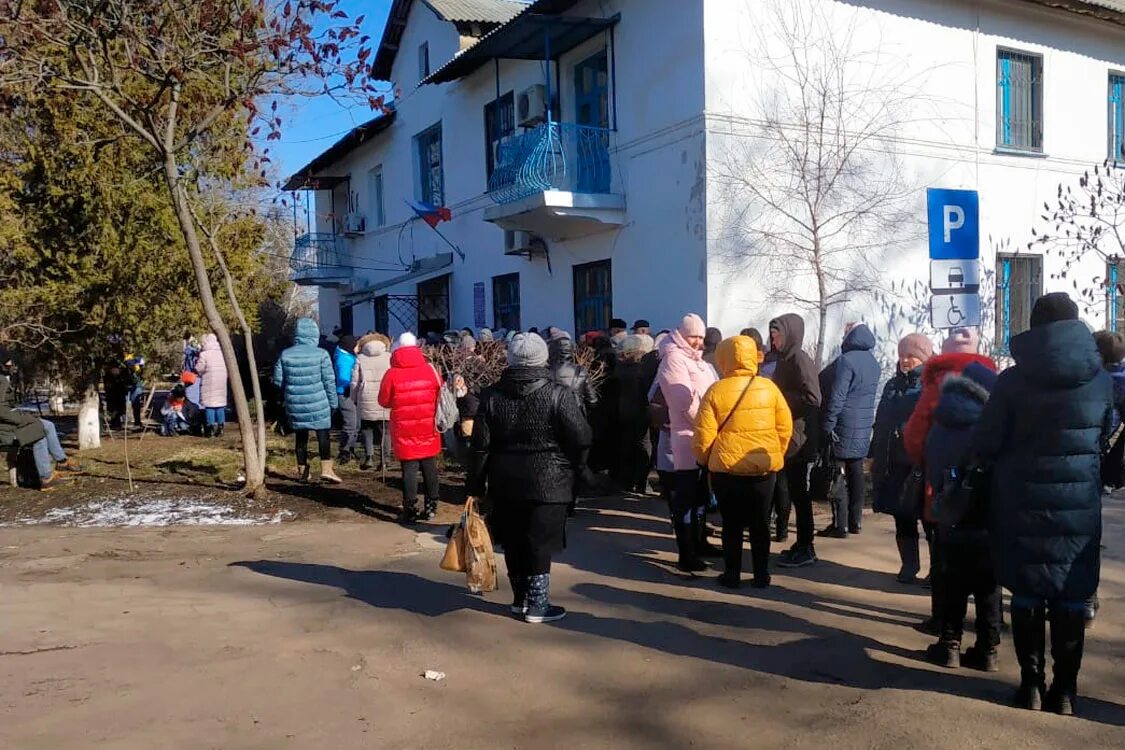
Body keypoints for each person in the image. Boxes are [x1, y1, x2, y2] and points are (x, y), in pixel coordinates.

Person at [973, 293, 1111, 716]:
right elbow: (1105, 431)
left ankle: (1031, 685)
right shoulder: (1099, 377)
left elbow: (988, 440)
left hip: (1021, 500)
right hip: (1078, 503)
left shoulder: (1013, 381)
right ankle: (1066, 693)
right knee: (1072, 593)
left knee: (1029, 592)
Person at [468, 333, 591, 623]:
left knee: (513, 540)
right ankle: (537, 605)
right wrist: (577, 468)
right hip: (550, 479)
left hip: (504, 480)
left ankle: (519, 598)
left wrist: (475, 485)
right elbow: (582, 436)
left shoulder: (491, 396)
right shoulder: (558, 394)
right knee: (539, 542)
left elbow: (480, 446)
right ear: (543, 358)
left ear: (509, 358)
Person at [904, 327, 995, 634]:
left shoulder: (935, 384)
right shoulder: (994, 383)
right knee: (986, 558)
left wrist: (927, 465)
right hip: (984, 486)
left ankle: (944, 629)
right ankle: (988, 638)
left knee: (944, 557)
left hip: (942, 486)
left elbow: (915, 435)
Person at [693, 335, 792, 589]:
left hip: (726, 470)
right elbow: (784, 427)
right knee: (760, 524)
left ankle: (732, 574)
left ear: (723, 359)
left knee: (732, 525)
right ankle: (761, 575)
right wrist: (774, 454)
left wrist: (705, 460)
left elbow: (704, 434)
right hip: (762, 471)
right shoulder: (769, 388)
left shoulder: (716, 390)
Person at [923, 362, 1002, 672]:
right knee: (988, 585)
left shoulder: (941, 421)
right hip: (987, 517)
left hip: (950, 514)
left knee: (951, 581)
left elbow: (930, 466)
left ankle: (949, 645)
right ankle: (987, 650)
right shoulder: (991, 425)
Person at [656, 313, 719, 571]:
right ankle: (686, 553)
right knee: (686, 498)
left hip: (704, 437)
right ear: (682, 333)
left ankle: (700, 541)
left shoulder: (701, 363)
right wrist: (707, 424)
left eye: (701, 337)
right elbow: (684, 402)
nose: (697, 341)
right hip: (683, 439)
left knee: (701, 496)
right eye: (693, 335)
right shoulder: (673, 358)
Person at [870, 333, 934, 583]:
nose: (905, 360)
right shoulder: (892, 385)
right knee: (902, 516)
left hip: (920, 462)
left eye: (911, 356)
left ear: (923, 357)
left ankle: (936, 571)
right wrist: (875, 453)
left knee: (929, 520)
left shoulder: (931, 385)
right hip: (895, 461)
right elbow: (881, 421)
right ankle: (909, 565)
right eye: (902, 355)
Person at [769, 314, 823, 567]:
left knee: (799, 494)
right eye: (771, 333)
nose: (773, 338)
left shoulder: (799, 358)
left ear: (789, 334)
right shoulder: (784, 359)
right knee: (793, 490)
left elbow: (814, 397)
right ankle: (801, 543)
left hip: (798, 437)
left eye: (777, 334)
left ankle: (806, 547)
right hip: (787, 433)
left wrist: (780, 399)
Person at [817, 323, 880, 538]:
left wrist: (828, 424)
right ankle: (856, 521)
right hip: (863, 424)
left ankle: (840, 525)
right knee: (856, 473)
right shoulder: (873, 362)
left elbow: (837, 396)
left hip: (844, 424)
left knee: (838, 473)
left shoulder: (846, 361)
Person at [379, 332, 443, 523]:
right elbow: (441, 391)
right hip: (428, 425)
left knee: (409, 468)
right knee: (430, 467)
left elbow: (383, 401)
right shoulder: (431, 370)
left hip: (404, 427)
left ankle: (409, 508)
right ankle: (432, 507)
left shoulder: (392, 373)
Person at [272, 318, 341, 484]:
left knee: (300, 437)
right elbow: (329, 381)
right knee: (323, 435)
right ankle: (326, 470)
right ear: (314, 335)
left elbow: (277, 380)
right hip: (319, 402)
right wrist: (333, 403)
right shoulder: (322, 354)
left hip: (295, 402)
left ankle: (302, 471)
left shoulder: (285, 354)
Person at [1, 350, 80, 490]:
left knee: (47, 425)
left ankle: (61, 462)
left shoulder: (4, 378)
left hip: (9, 423)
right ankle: (46, 477)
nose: (11, 363)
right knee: (38, 434)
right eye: (8, 361)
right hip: (5, 429)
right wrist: (23, 418)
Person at [616, 334, 656, 494]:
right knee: (644, 446)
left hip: (623, 411)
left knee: (626, 445)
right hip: (640, 412)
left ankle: (627, 481)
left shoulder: (618, 368)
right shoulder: (641, 370)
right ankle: (642, 482)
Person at [351, 334, 391, 471]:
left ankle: (369, 457)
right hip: (384, 397)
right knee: (385, 431)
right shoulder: (389, 357)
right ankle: (385, 460)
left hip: (366, 396)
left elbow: (355, 382)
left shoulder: (360, 358)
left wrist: (354, 398)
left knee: (367, 429)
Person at [194, 333, 228, 438]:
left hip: (209, 382)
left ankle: (210, 429)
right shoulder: (222, 353)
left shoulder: (204, 354)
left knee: (209, 405)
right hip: (221, 381)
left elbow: (199, 368)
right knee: (220, 404)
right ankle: (221, 427)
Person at [333, 334, 360, 464]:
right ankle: (345, 451)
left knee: (356, 424)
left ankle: (350, 448)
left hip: (351, 393)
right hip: (346, 393)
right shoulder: (343, 360)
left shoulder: (347, 356)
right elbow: (345, 379)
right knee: (351, 424)